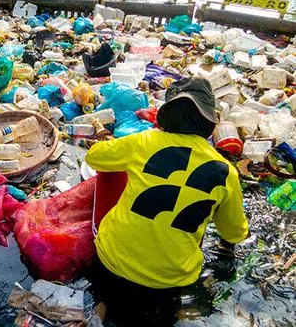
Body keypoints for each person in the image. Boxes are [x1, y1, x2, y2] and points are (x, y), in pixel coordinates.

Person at [84, 77, 247, 325]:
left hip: (113, 262)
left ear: (166, 116)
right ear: (209, 122)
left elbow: (94, 157)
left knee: (111, 310)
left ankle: (105, 308)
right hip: (170, 280)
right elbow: (233, 234)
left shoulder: (145, 142)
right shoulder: (227, 172)